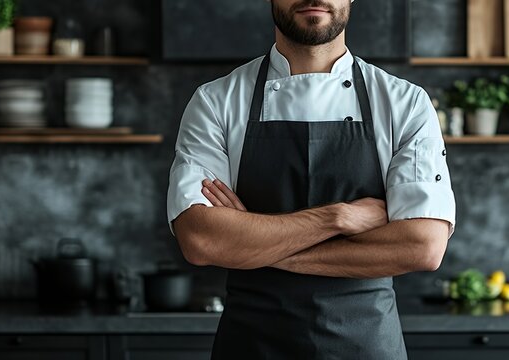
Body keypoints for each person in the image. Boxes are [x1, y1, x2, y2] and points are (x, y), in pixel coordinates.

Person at [167, 0, 456, 358]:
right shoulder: (215, 102)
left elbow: (423, 247)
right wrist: (337, 217)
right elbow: (201, 240)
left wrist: (250, 245)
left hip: (365, 347)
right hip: (252, 347)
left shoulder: (404, 103)